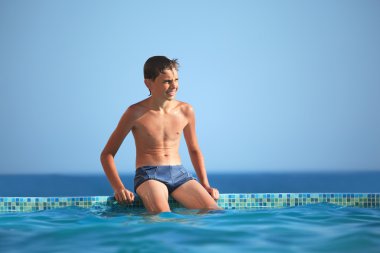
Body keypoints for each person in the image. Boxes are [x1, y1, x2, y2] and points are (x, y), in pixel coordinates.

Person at [100, 56, 220, 214]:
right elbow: (107, 154)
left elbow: (194, 150)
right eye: (167, 81)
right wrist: (119, 188)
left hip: (180, 174)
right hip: (149, 175)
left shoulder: (186, 111)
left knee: (213, 210)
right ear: (148, 83)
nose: (174, 86)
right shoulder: (134, 112)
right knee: (162, 214)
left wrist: (205, 185)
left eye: (176, 80)